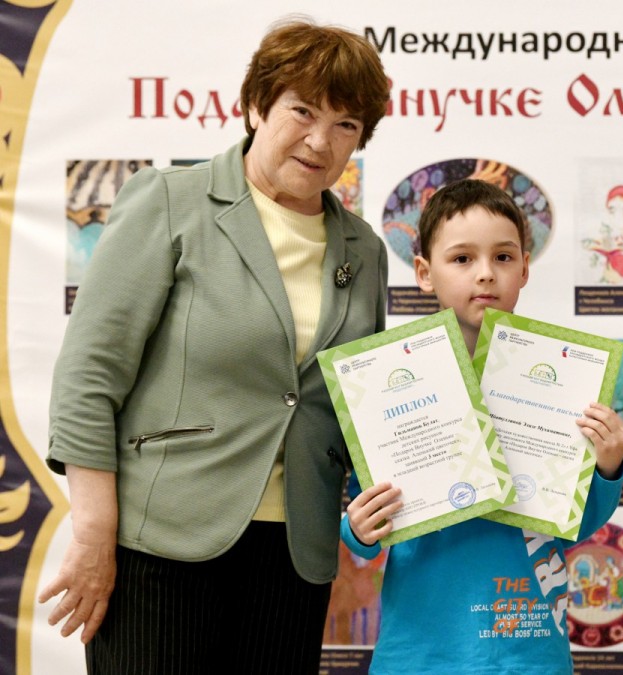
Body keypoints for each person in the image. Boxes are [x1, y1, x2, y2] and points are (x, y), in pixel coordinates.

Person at [38, 18, 390, 675]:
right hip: (161, 544)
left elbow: (360, 402)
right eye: (302, 111)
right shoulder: (170, 202)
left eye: (345, 124)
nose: (320, 140)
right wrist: (93, 533)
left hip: (294, 557)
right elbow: (89, 376)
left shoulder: (364, 249)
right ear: (256, 105)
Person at [342, 179, 623, 675]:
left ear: (524, 269)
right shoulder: (386, 380)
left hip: (528, 648)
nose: (485, 274)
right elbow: (362, 517)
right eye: (462, 259)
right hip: (421, 652)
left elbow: (579, 524)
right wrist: (359, 530)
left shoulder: (567, 381)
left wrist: (607, 467)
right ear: (424, 273)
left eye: (503, 257)